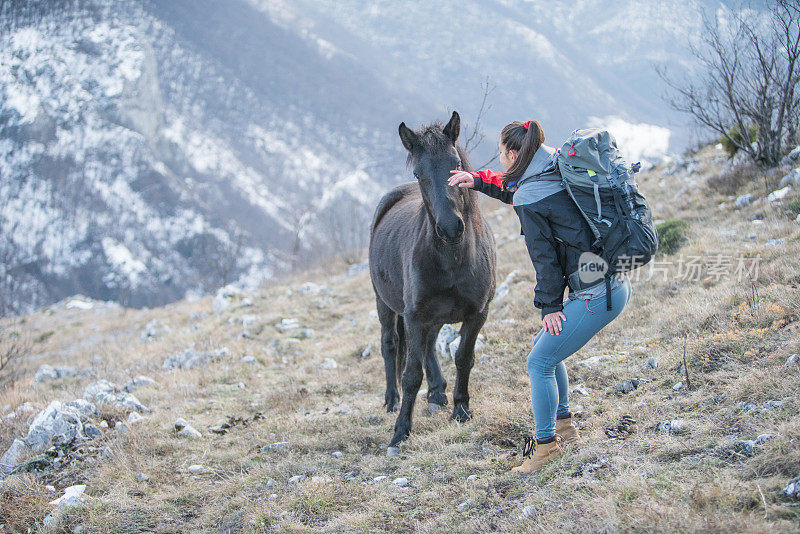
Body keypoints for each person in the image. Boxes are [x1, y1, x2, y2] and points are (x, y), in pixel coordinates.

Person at [448, 120, 632, 473]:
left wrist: (550, 306)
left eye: (502, 153)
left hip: (597, 294)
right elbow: (517, 186)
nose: (501, 159)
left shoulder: (533, 195)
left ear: (514, 154)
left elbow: (544, 258)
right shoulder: (554, 165)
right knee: (546, 348)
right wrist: (479, 180)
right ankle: (566, 429)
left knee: (540, 362)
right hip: (611, 283)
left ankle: (546, 446)